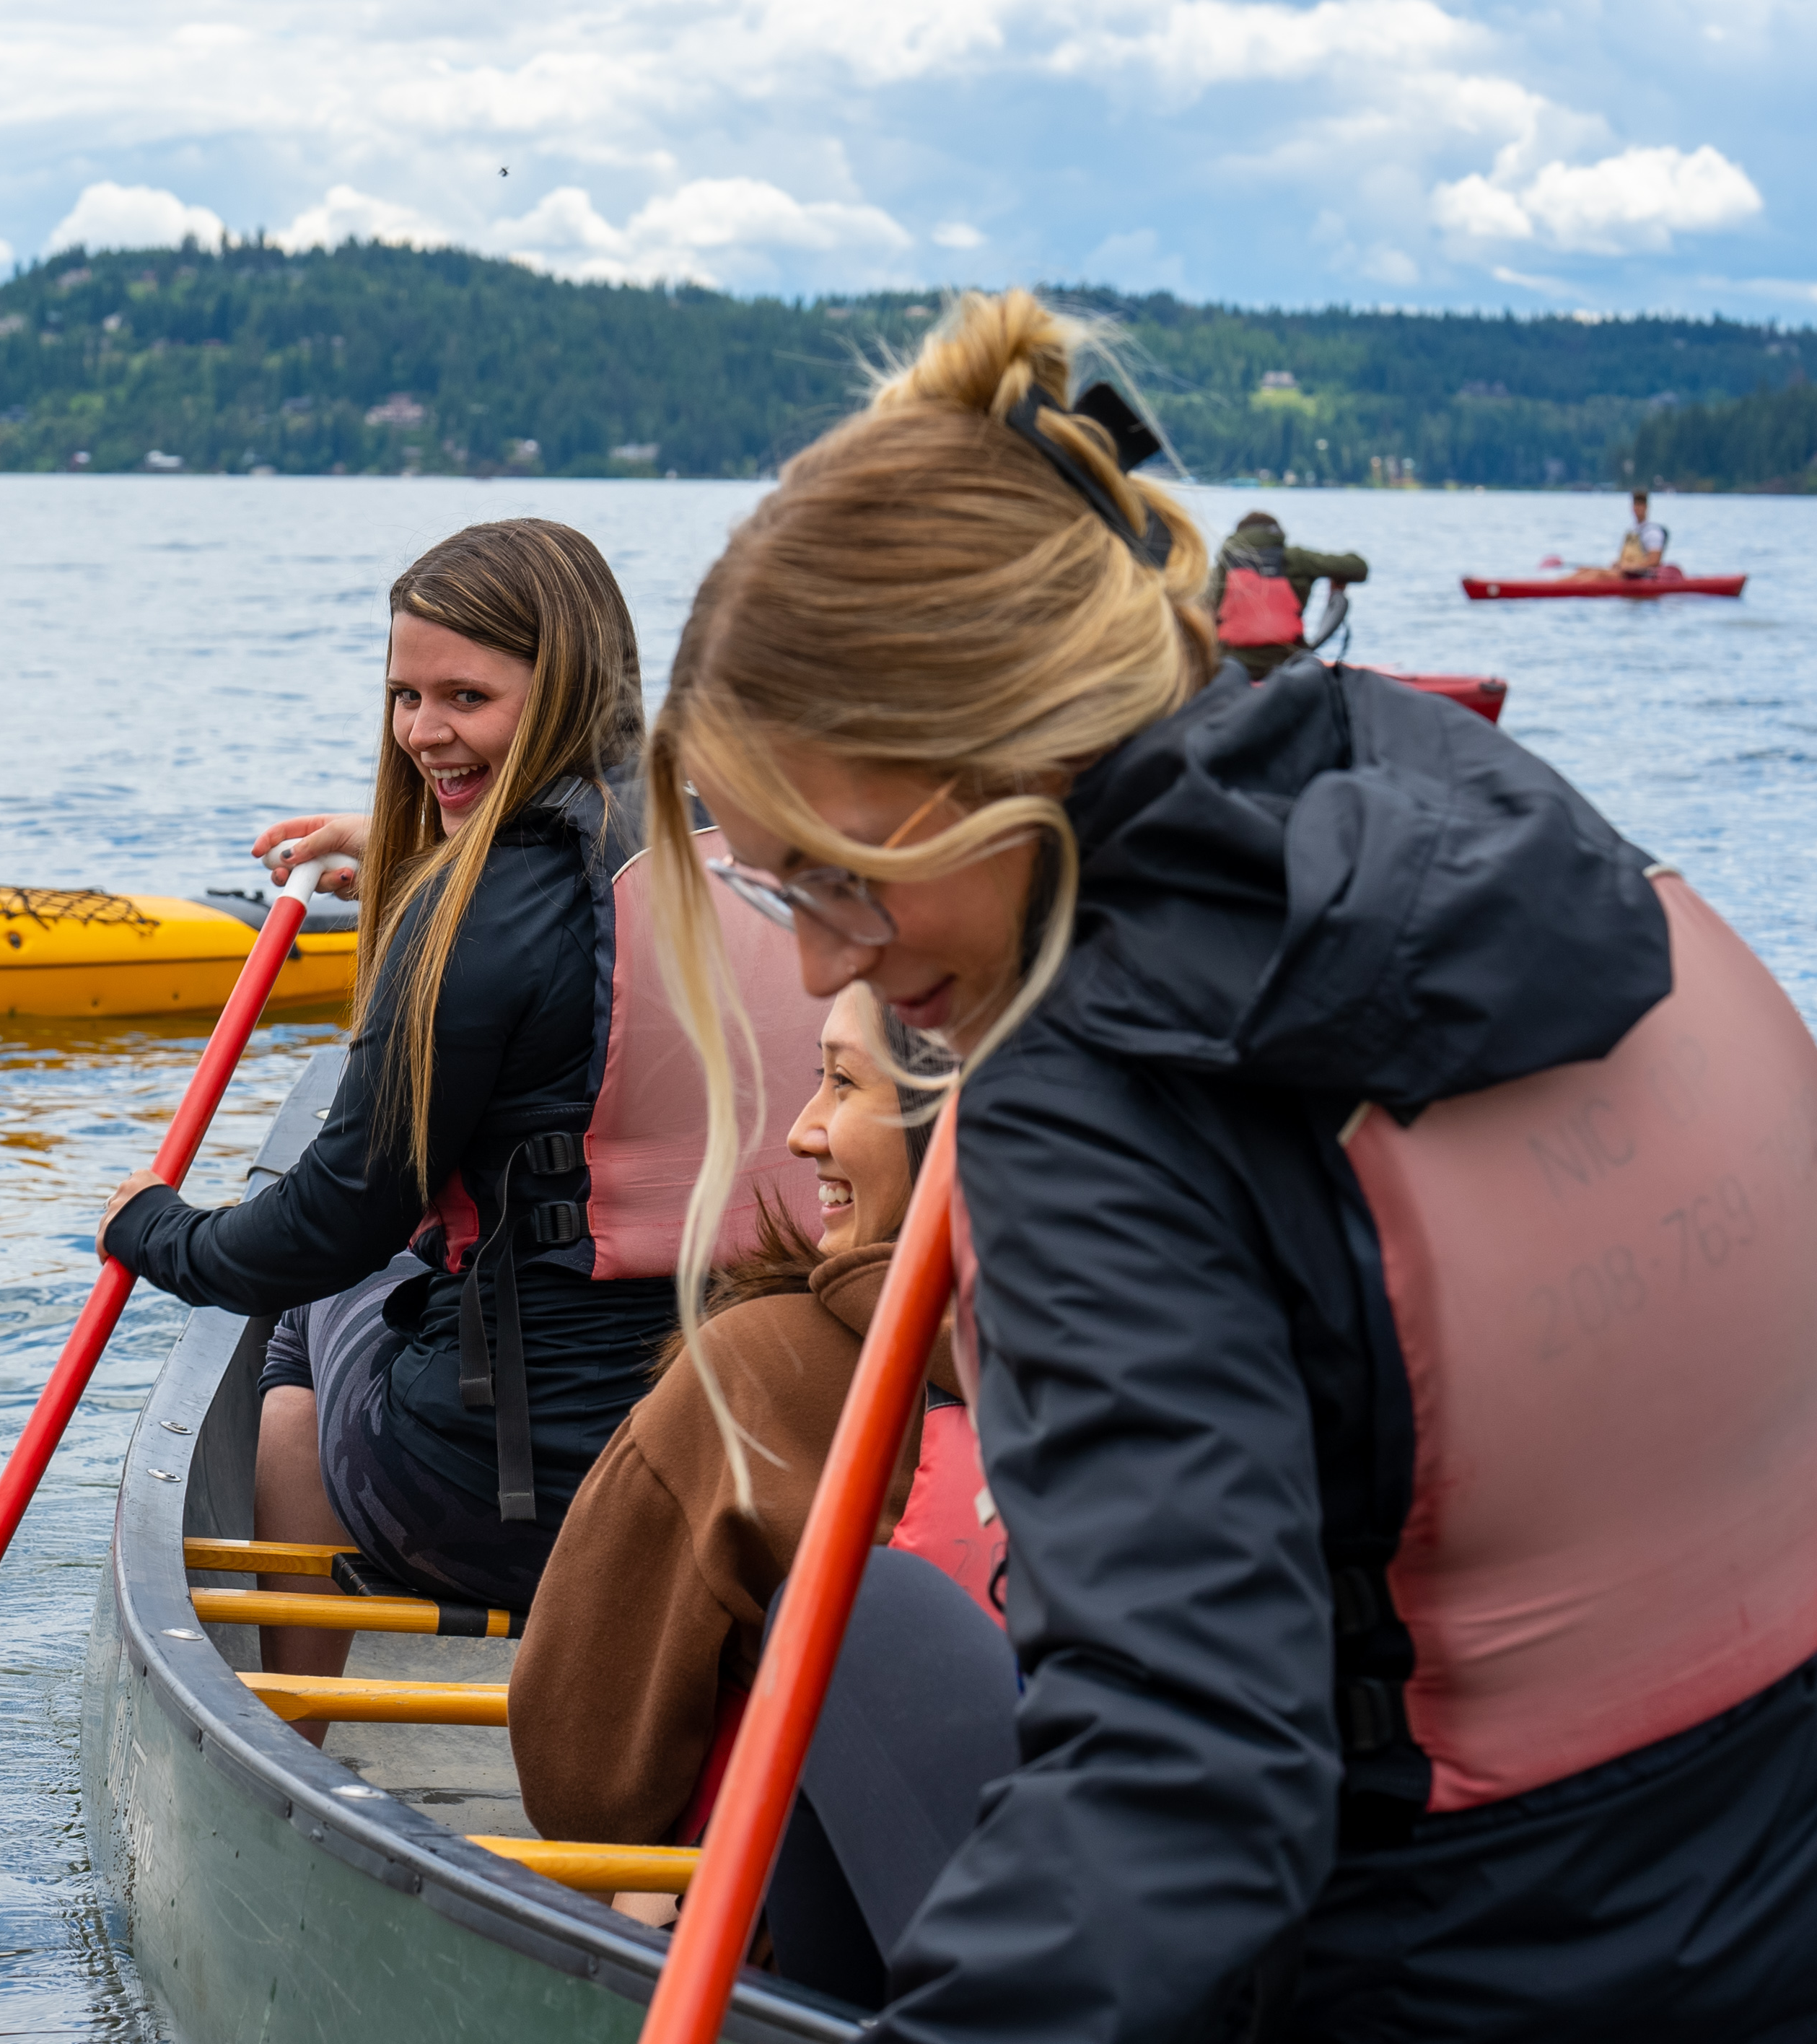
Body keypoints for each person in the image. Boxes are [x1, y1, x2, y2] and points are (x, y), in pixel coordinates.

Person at [643, 287, 1817, 2036]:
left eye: (831, 872)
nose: (817, 962)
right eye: (773, 890)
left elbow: (1185, 1786)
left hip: (1437, 1971)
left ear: (988, 749)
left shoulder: (1090, 1092)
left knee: (855, 1636)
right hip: (1765, 1903)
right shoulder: (1489, 817)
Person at [95, 518, 820, 1711]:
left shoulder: (470, 915)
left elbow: (326, 1225)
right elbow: (580, 889)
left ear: (564, 683)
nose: (423, 731)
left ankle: (300, 1747)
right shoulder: (716, 839)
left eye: (465, 697)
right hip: (741, 1464)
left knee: (309, 1311)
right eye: (404, 696)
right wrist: (384, 834)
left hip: (513, 1504)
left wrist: (156, 1230)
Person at [508, 985, 997, 1884]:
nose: (804, 1130)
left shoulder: (751, 1370)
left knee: (309, 1342)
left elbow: (580, 1783)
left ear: (958, 1119)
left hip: (809, 1941)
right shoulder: (1185, 1365)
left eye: (842, 1084)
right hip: (1100, 1902)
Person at [1209, 508, 1366, 677]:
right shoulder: (1296, 558)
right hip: (1290, 664)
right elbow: (1358, 567)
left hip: (1230, 668)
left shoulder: (1221, 567)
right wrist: (1338, 579)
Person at [1575, 489, 1668, 579]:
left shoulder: (1653, 533)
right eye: (1636, 505)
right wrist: (1618, 563)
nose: (1637, 509)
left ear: (1646, 507)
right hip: (1625, 573)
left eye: (1641, 505)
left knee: (1598, 575)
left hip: (1639, 576)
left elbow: (1654, 562)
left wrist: (1630, 567)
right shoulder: (1631, 530)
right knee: (1584, 570)